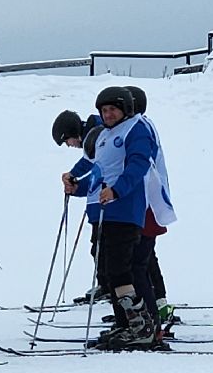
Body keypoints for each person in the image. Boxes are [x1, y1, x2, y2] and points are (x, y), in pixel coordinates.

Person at [66, 85, 157, 348]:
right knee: (108, 272)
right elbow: (99, 175)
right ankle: (124, 323)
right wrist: (77, 187)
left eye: (113, 110)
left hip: (124, 210)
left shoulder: (135, 128)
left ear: (125, 109)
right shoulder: (104, 136)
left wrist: (117, 190)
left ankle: (141, 327)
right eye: (104, 110)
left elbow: (139, 164)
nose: (107, 115)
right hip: (105, 211)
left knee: (120, 270)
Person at [124, 84, 177, 329]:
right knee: (144, 259)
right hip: (148, 201)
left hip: (147, 202)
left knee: (141, 261)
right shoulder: (141, 125)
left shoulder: (139, 128)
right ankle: (153, 306)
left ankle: (153, 310)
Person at [52, 110, 110, 304]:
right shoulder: (91, 139)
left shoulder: (97, 136)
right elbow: (88, 166)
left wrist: (75, 179)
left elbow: (96, 171)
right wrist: (73, 179)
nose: (69, 145)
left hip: (106, 203)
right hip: (99, 203)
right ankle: (106, 285)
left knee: (104, 247)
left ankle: (112, 287)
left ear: (72, 132)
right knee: (98, 246)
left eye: (67, 140)